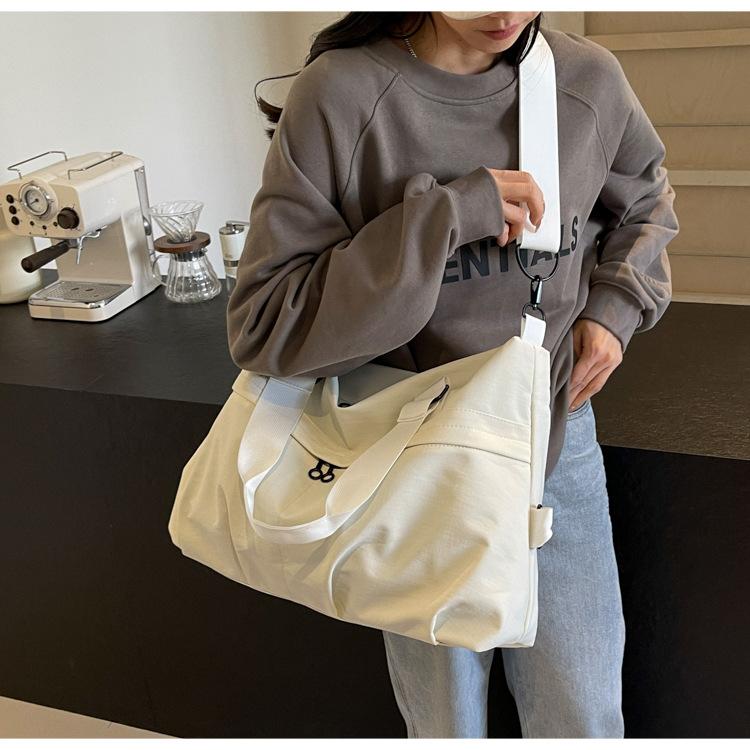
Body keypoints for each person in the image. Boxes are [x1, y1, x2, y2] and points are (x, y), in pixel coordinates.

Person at [226, 10, 679, 739]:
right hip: (411, 450)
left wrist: (615, 307)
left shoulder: (585, 80)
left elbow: (648, 201)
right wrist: (449, 215)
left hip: (552, 438)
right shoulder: (342, 95)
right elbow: (267, 323)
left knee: (583, 714)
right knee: (446, 723)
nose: (503, 14)